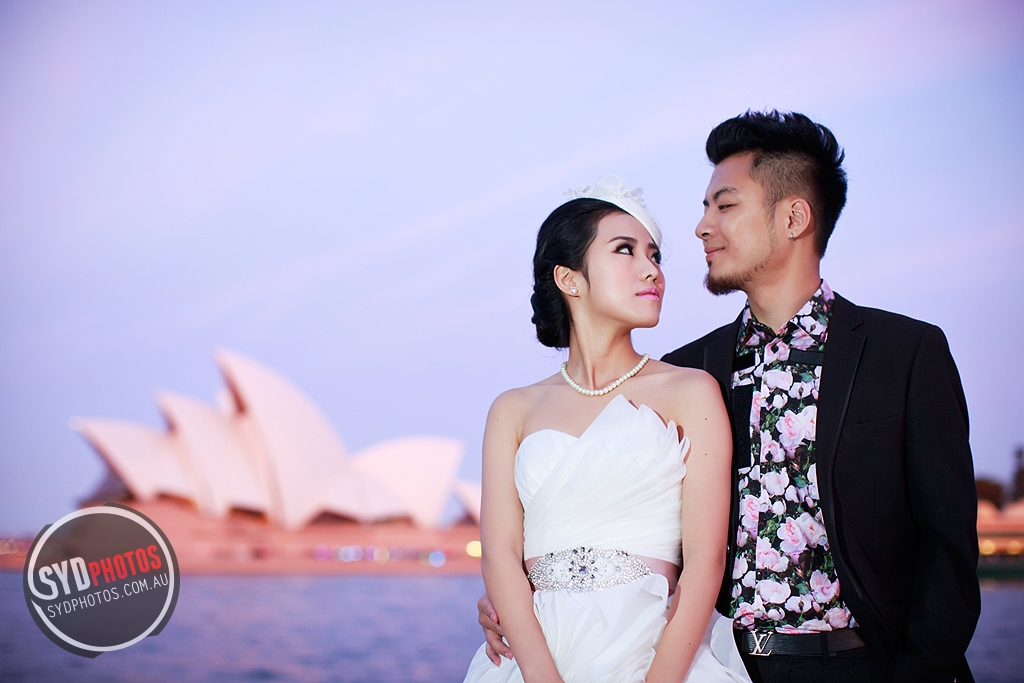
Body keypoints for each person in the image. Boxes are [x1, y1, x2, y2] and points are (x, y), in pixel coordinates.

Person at [479, 112, 981, 683]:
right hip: (720, 661)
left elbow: (948, 547)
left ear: (793, 217)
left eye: (724, 205)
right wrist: (524, 602)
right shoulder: (691, 370)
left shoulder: (905, 353)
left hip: (859, 662)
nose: (701, 227)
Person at [462, 176, 751, 683]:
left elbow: (706, 562)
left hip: (656, 654)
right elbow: (501, 556)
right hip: (533, 658)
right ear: (569, 279)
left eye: (655, 255)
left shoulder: (691, 391)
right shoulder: (513, 409)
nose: (652, 269)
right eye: (625, 250)